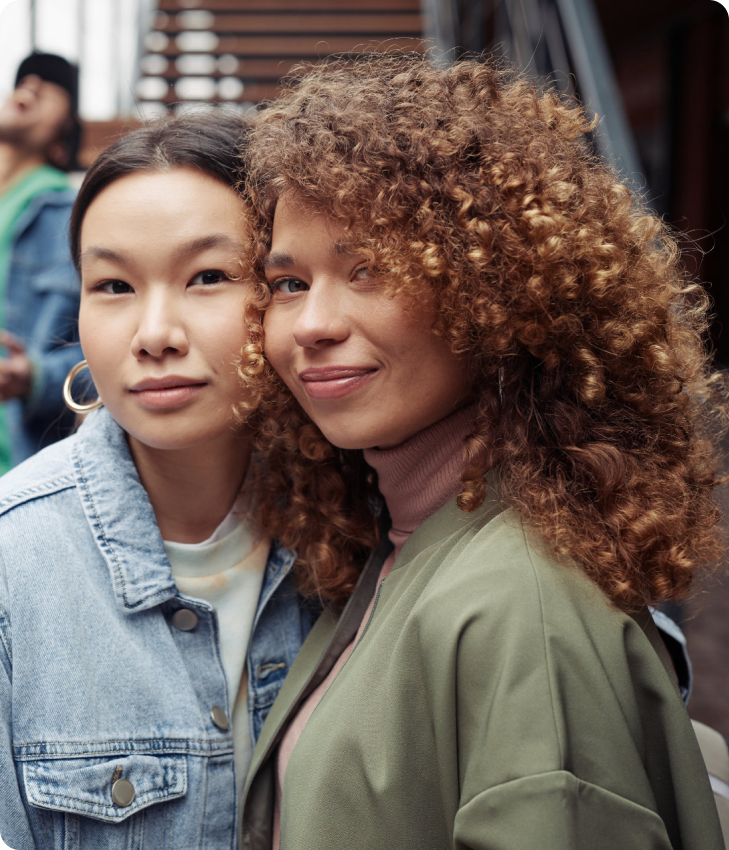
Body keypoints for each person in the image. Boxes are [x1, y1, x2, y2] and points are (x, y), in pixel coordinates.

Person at [237, 54, 726, 849]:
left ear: (495, 291)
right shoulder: (405, 545)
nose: (311, 324)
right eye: (287, 282)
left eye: (369, 269)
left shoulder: (518, 602)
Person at [0, 111, 315, 849]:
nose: (154, 334)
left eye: (208, 276)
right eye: (112, 286)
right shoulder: (15, 563)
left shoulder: (368, 528)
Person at [0, 52, 85, 472]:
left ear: (62, 137)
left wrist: (31, 378)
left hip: (15, 465)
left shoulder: (72, 218)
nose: (30, 83)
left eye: (50, 86)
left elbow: (99, 362)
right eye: (23, 78)